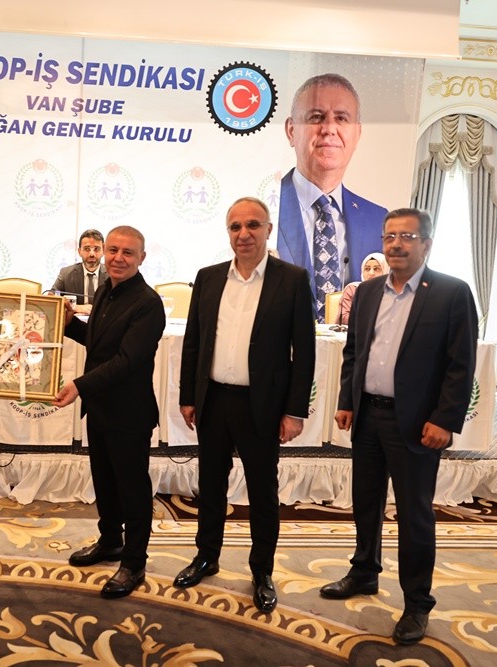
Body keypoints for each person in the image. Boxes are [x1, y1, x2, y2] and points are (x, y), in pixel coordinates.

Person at [321, 208, 477, 646]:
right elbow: (354, 351)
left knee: (414, 515)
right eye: (389, 236)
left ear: (426, 243)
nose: (396, 244)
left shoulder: (451, 293)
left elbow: (460, 364)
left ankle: (417, 603)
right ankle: (364, 572)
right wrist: (347, 401)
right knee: (365, 502)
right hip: (368, 416)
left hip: (417, 425)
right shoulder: (368, 291)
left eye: (407, 236)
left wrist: (444, 419)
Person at [175, 197, 315, 613]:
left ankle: (262, 570)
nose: (244, 234)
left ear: (268, 230)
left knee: (262, 491)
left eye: (253, 225)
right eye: (235, 227)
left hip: (262, 404)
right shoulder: (208, 277)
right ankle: (206, 556)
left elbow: (304, 351)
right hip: (214, 400)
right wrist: (188, 396)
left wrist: (294, 411)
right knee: (210, 485)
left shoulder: (291, 279)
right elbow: (194, 342)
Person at [53, 225, 166, 599]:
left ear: (141, 258)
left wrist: (79, 386)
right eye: (113, 250)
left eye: (127, 252)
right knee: (104, 481)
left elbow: (126, 360)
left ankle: (134, 562)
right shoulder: (105, 289)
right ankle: (110, 541)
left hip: (129, 413)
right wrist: (69, 324)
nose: (118, 258)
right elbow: (97, 342)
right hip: (100, 407)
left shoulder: (148, 304)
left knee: (132, 490)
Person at [275, 73, 386, 322]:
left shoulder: (379, 220)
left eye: (341, 118)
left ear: (357, 134)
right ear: (291, 131)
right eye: (316, 117)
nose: (329, 129)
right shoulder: (262, 209)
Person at [51, 229, 108, 311]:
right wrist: (74, 307)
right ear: (79, 251)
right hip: (76, 319)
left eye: (96, 249)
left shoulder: (112, 275)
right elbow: (51, 297)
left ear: (103, 251)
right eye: (87, 249)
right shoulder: (66, 274)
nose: (92, 254)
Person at [336, 252, 389, 325]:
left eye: (376, 269)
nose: (371, 273)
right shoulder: (353, 289)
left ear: (386, 271)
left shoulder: (391, 293)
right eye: (367, 269)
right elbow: (344, 318)